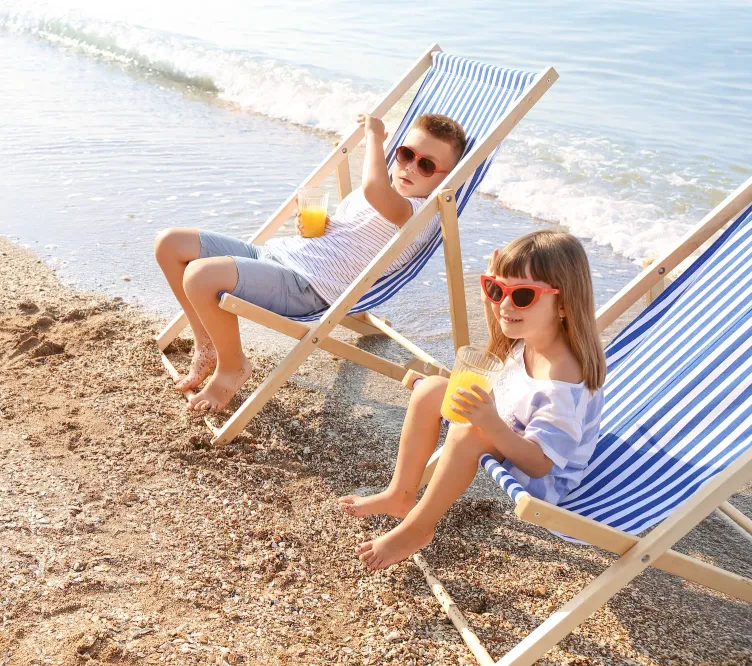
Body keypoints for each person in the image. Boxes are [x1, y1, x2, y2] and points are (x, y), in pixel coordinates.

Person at [153, 112, 467, 412]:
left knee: (198, 276)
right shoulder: (384, 196)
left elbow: (375, 190)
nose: (410, 167)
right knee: (169, 243)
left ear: (446, 178)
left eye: (426, 165)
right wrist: (320, 227)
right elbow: (353, 233)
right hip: (278, 257)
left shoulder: (420, 213)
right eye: (405, 154)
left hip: (307, 287)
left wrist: (375, 137)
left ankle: (232, 365)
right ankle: (206, 342)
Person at [340, 230, 606, 570]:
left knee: (469, 433)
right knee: (431, 389)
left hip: (545, 479)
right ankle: (399, 495)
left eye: (523, 295)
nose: (505, 306)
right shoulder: (532, 335)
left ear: (565, 303)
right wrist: (491, 302)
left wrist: (489, 424)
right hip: (510, 430)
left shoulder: (561, 382)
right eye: (497, 289)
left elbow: (540, 465)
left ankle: (419, 528)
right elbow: (500, 337)